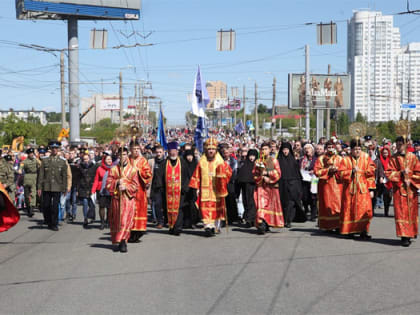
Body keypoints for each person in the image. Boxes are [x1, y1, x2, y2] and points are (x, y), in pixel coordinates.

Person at [189, 137, 232, 236]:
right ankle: (208, 225)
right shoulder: (202, 162)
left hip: (217, 190)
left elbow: (228, 173)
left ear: (216, 150)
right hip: (204, 190)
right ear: (206, 150)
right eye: (209, 149)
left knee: (216, 208)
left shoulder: (220, 162)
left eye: (213, 149)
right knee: (205, 208)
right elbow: (197, 175)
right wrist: (196, 188)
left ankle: (215, 226)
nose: (211, 151)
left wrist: (223, 176)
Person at [337, 138, 376, 239]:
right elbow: (340, 174)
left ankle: (363, 231)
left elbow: (371, 173)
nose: (357, 151)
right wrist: (351, 172)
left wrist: (371, 189)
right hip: (349, 190)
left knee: (364, 210)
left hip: (363, 189)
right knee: (349, 210)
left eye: (359, 149)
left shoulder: (366, 158)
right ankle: (350, 230)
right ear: (351, 149)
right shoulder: (345, 160)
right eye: (355, 149)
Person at [385, 136, 420, 247]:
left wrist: (411, 179)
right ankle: (404, 236)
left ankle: (411, 233)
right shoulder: (393, 158)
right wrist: (400, 173)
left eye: (401, 144)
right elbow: (389, 173)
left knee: (411, 213)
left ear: (406, 145)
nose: (399, 147)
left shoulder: (413, 157)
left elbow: (418, 172)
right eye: (398, 144)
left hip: (411, 190)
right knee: (401, 213)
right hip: (399, 190)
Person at [106, 147, 140, 253]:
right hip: (117, 200)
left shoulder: (133, 170)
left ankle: (123, 241)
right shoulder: (113, 169)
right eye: (120, 155)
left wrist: (126, 186)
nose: (122, 157)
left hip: (128, 200)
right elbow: (108, 184)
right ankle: (119, 241)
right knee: (118, 221)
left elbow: (136, 186)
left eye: (124, 154)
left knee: (125, 221)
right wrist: (116, 182)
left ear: (127, 155)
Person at [252, 142, 284, 234]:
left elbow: (278, 173)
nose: (264, 151)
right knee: (261, 205)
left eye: (266, 149)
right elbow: (254, 174)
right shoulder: (258, 161)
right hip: (261, 187)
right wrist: (260, 177)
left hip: (271, 187)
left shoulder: (273, 161)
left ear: (270, 150)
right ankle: (261, 224)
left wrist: (268, 175)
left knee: (270, 206)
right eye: (262, 149)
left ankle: (266, 223)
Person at [37, 141, 68, 231]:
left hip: (57, 186)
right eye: (52, 148)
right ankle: (48, 220)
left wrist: (64, 188)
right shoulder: (45, 160)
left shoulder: (62, 161)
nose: (54, 150)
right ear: (50, 149)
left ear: (58, 149)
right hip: (47, 186)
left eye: (56, 148)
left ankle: (54, 223)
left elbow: (64, 176)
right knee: (46, 205)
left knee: (55, 206)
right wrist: (39, 187)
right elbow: (41, 175)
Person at [313, 140, 343, 232]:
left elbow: (344, 171)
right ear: (326, 149)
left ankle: (338, 225)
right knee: (326, 205)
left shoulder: (340, 159)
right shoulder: (321, 159)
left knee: (338, 205)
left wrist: (337, 170)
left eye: (332, 147)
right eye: (329, 147)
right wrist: (328, 170)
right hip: (325, 186)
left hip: (338, 186)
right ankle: (327, 225)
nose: (330, 149)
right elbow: (316, 172)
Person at [163, 142, 190, 235]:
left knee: (179, 209)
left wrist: (185, 187)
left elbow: (188, 176)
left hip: (180, 191)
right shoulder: (164, 163)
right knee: (168, 209)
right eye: (171, 151)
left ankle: (178, 227)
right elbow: (159, 177)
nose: (173, 153)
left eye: (175, 151)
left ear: (177, 151)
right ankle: (171, 226)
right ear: (168, 152)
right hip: (168, 192)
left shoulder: (183, 162)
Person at [129, 138, 152, 243]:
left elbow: (148, 174)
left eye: (138, 148)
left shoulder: (143, 161)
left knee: (140, 211)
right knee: (130, 211)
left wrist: (139, 172)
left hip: (140, 191)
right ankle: (129, 232)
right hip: (129, 191)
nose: (136, 151)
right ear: (130, 149)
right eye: (134, 149)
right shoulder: (127, 160)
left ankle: (138, 233)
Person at [278, 142, 304, 228]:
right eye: (284, 150)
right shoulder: (278, 161)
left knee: (291, 203)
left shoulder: (293, 161)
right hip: (282, 185)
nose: (285, 151)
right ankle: (283, 219)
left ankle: (288, 220)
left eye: (287, 150)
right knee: (283, 203)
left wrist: (299, 187)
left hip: (293, 185)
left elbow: (298, 175)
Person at [237, 149, 258, 227]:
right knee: (246, 202)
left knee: (252, 203)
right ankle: (248, 219)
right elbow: (240, 177)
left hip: (254, 187)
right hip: (245, 187)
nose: (252, 158)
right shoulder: (244, 165)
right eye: (250, 156)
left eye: (253, 156)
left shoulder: (258, 165)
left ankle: (251, 219)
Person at [91, 154, 113, 230]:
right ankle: (102, 222)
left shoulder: (114, 168)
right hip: (101, 190)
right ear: (104, 160)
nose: (109, 161)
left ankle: (108, 221)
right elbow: (96, 180)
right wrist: (93, 190)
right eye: (107, 159)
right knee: (102, 206)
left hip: (111, 190)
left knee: (110, 207)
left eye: (110, 159)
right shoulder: (99, 169)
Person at [149, 145, 167, 229]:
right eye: (157, 152)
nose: (159, 154)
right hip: (156, 187)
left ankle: (167, 221)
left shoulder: (167, 161)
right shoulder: (152, 162)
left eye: (160, 152)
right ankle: (160, 221)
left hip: (166, 187)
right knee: (157, 205)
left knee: (166, 205)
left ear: (163, 152)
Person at [182, 149, 199, 228]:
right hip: (185, 188)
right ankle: (186, 221)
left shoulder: (196, 164)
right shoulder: (183, 164)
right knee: (185, 206)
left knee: (193, 206)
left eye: (191, 156)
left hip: (193, 188)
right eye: (188, 156)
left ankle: (193, 222)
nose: (189, 158)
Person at [78, 153, 97, 228]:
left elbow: (96, 177)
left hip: (91, 187)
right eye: (84, 159)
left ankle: (92, 216)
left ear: (89, 159)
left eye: (87, 159)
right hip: (83, 187)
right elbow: (78, 178)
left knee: (91, 203)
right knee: (85, 203)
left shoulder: (94, 166)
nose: (86, 160)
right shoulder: (80, 167)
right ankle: (85, 218)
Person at [300, 144, 318, 221]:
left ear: (312, 150)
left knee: (313, 197)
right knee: (305, 197)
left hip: (313, 179)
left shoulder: (316, 159)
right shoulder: (302, 160)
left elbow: (318, 167)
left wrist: (314, 171)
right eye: (306, 149)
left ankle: (313, 215)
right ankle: (306, 210)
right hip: (304, 179)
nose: (307, 150)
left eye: (309, 148)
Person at [21, 148, 40, 217]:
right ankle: (28, 206)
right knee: (26, 195)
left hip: (34, 177)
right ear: (28, 154)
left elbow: (40, 165)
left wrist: (37, 158)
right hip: (27, 177)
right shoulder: (24, 161)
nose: (32, 154)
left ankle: (31, 208)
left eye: (32, 153)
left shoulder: (36, 160)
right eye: (30, 153)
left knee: (33, 193)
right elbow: (20, 169)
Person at [378, 147, 393, 217]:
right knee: (385, 196)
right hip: (383, 180)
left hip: (390, 179)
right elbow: (379, 169)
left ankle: (387, 206)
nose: (385, 154)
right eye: (384, 153)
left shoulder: (391, 160)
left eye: (386, 153)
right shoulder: (379, 160)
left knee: (389, 197)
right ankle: (385, 211)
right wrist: (381, 176)